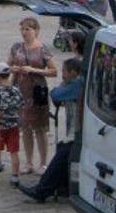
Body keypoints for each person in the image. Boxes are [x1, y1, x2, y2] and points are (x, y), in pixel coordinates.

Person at [19, 56, 83, 202]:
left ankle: (42, 190)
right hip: (76, 131)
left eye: (64, 71)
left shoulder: (76, 85)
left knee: (61, 155)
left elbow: (56, 94)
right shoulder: (76, 83)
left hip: (78, 134)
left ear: (73, 72)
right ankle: (62, 187)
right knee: (62, 148)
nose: (63, 75)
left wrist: (62, 85)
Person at [8, 17, 57, 175]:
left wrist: (33, 70)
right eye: (22, 29)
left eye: (27, 29)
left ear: (36, 31)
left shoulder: (43, 49)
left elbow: (54, 71)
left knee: (40, 128)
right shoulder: (16, 47)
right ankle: (28, 162)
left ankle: (43, 163)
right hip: (21, 91)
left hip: (37, 92)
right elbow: (8, 66)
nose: (24, 32)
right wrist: (14, 69)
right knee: (25, 128)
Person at [0, 62, 23, 187]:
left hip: (1, 125)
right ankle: (15, 178)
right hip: (14, 125)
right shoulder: (16, 90)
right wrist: (19, 122)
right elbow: (20, 107)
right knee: (14, 152)